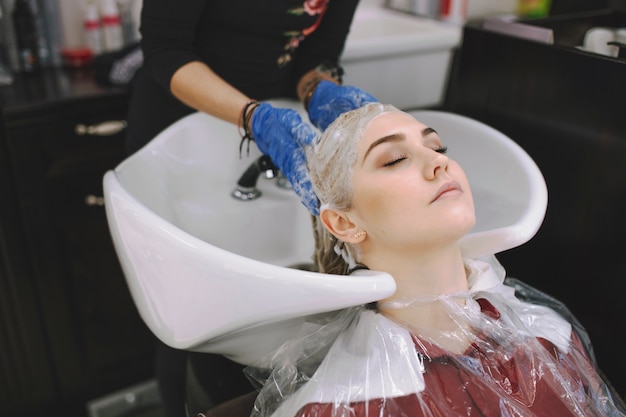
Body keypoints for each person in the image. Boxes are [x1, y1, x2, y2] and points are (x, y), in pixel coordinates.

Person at [245, 103, 626, 417]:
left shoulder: (550, 338)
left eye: (438, 147)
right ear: (343, 222)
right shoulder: (339, 406)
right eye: (394, 159)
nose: (438, 163)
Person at [125, 2, 378, 416]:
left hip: (273, 128)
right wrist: (251, 116)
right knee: (188, 311)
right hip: (180, 136)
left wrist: (318, 88)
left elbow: (317, 55)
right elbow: (165, 51)